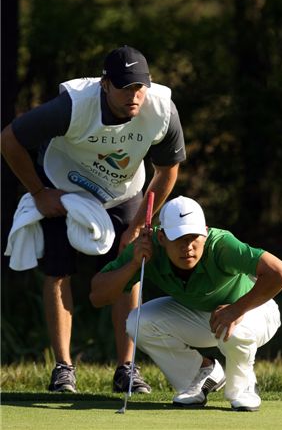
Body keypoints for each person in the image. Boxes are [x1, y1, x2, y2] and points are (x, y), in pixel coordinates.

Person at [1, 45, 186, 394]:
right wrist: (40, 192)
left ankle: (127, 369)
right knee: (57, 272)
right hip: (62, 186)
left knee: (128, 272)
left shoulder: (161, 109)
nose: (135, 95)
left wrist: (136, 227)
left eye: (140, 87)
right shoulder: (72, 106)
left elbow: (167, 172)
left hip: (123, 192)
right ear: (105, 84)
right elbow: (9, 140)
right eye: (125, 87)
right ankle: (63, 368)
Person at [90, 196, 282, 411]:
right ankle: (200, 375)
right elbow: (98, 296)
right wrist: (132, 264)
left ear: (205, 232)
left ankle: (243, 387)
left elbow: (281, 273)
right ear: (161, 237)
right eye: (178, 238)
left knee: (233, 328)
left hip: (255, 311)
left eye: (194, 237)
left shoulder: (221, 245)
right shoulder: (147, 248)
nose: (188, 246)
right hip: (202, 314)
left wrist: (236, 309)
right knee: (138, 322)